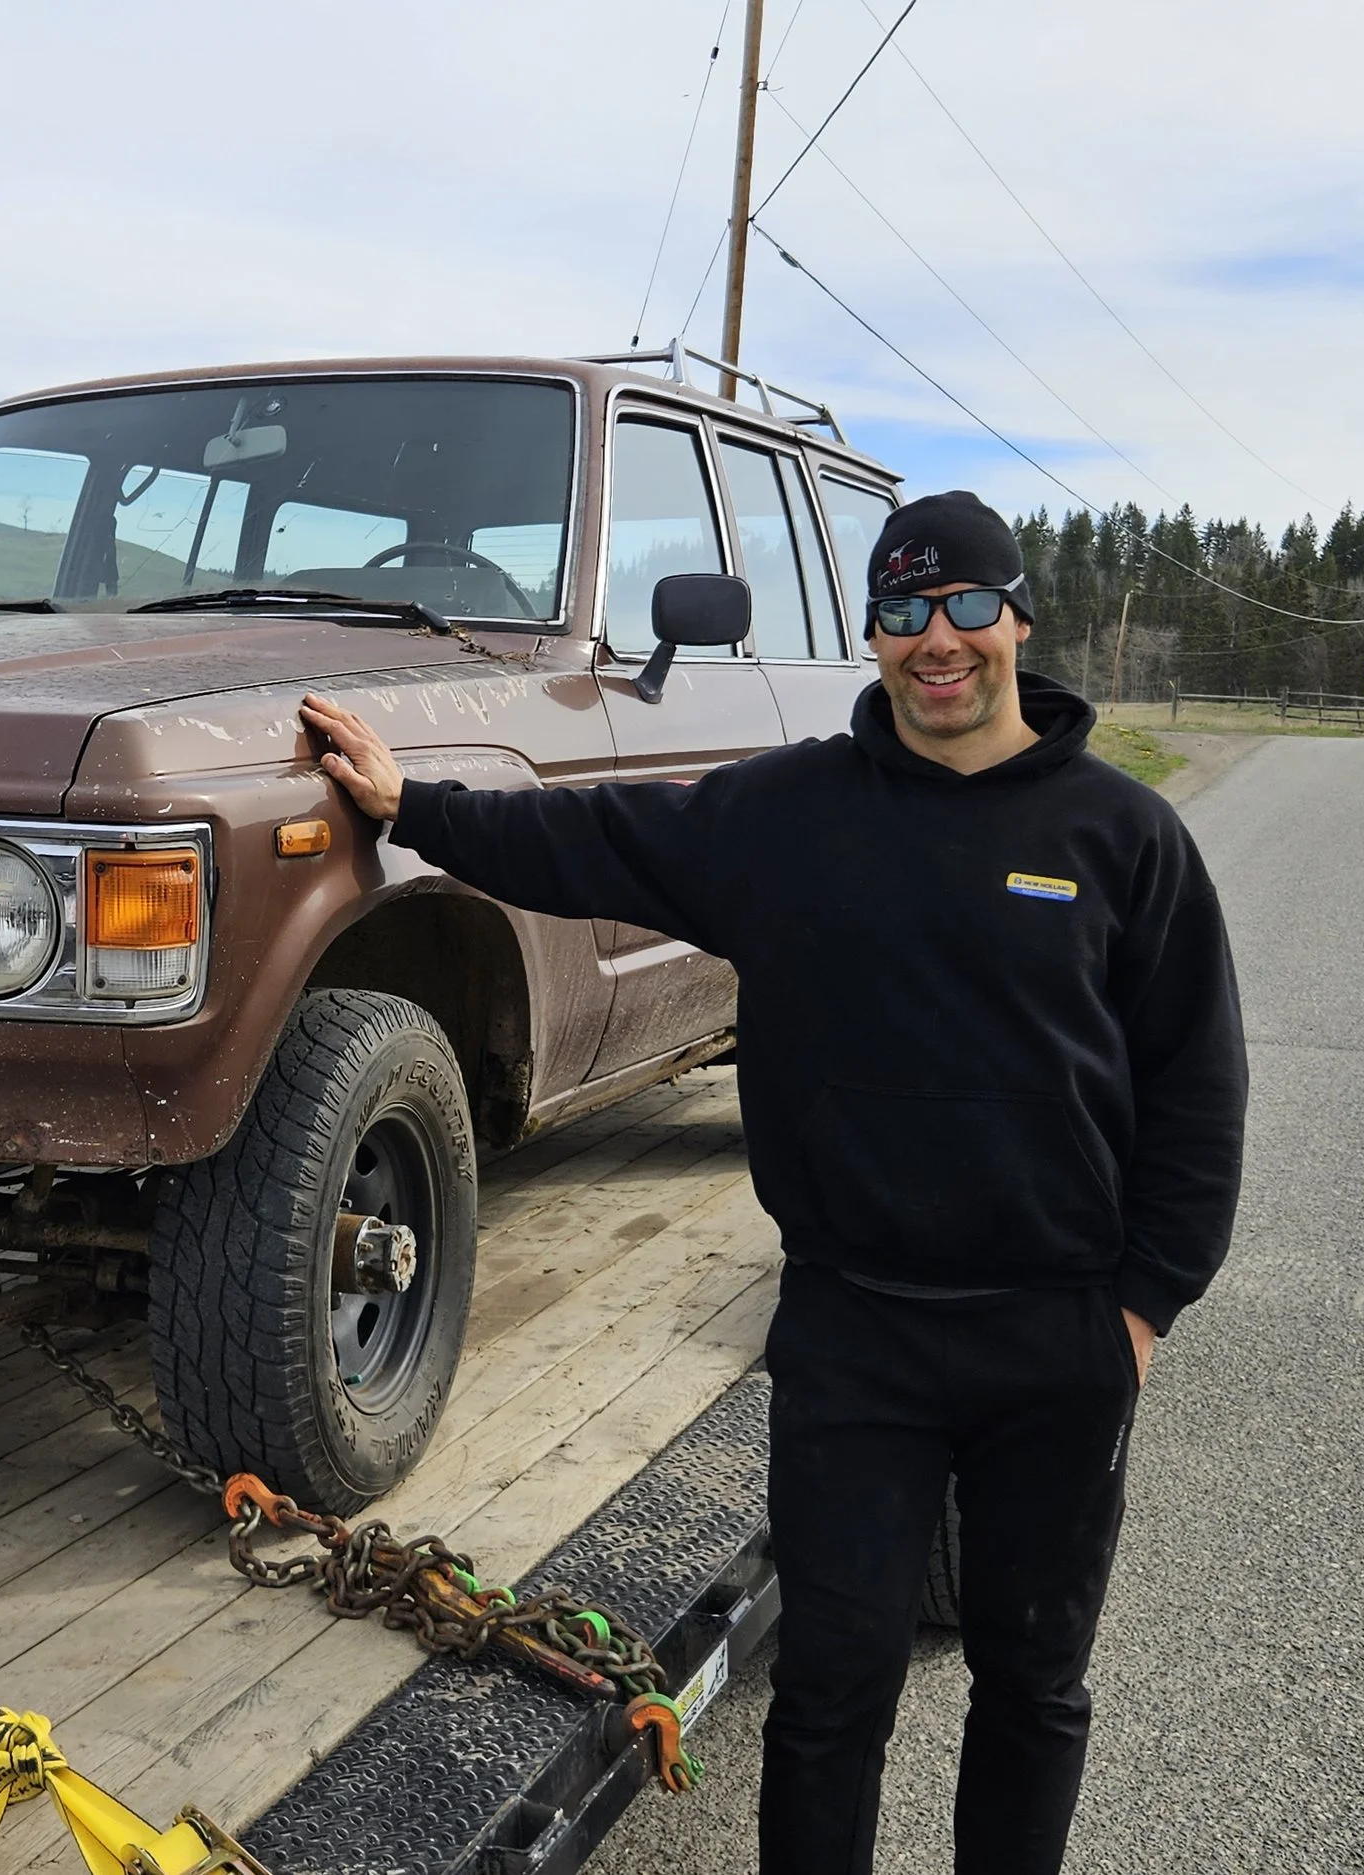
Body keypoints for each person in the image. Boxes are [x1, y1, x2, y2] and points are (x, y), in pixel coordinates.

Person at [297, 490, 1247, 1875]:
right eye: (905, 609)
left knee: (1033, 1683)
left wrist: (1142, 1309)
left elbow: (1199, 1087)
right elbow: (593, 841)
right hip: (854, 1331)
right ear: (872, 630)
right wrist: (414, 806)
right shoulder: (790, 814)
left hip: (1058, 1334)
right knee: (829, 1695)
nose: (938, 639)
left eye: (967, 604)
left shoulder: (1125, 838)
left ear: (1019, 619)